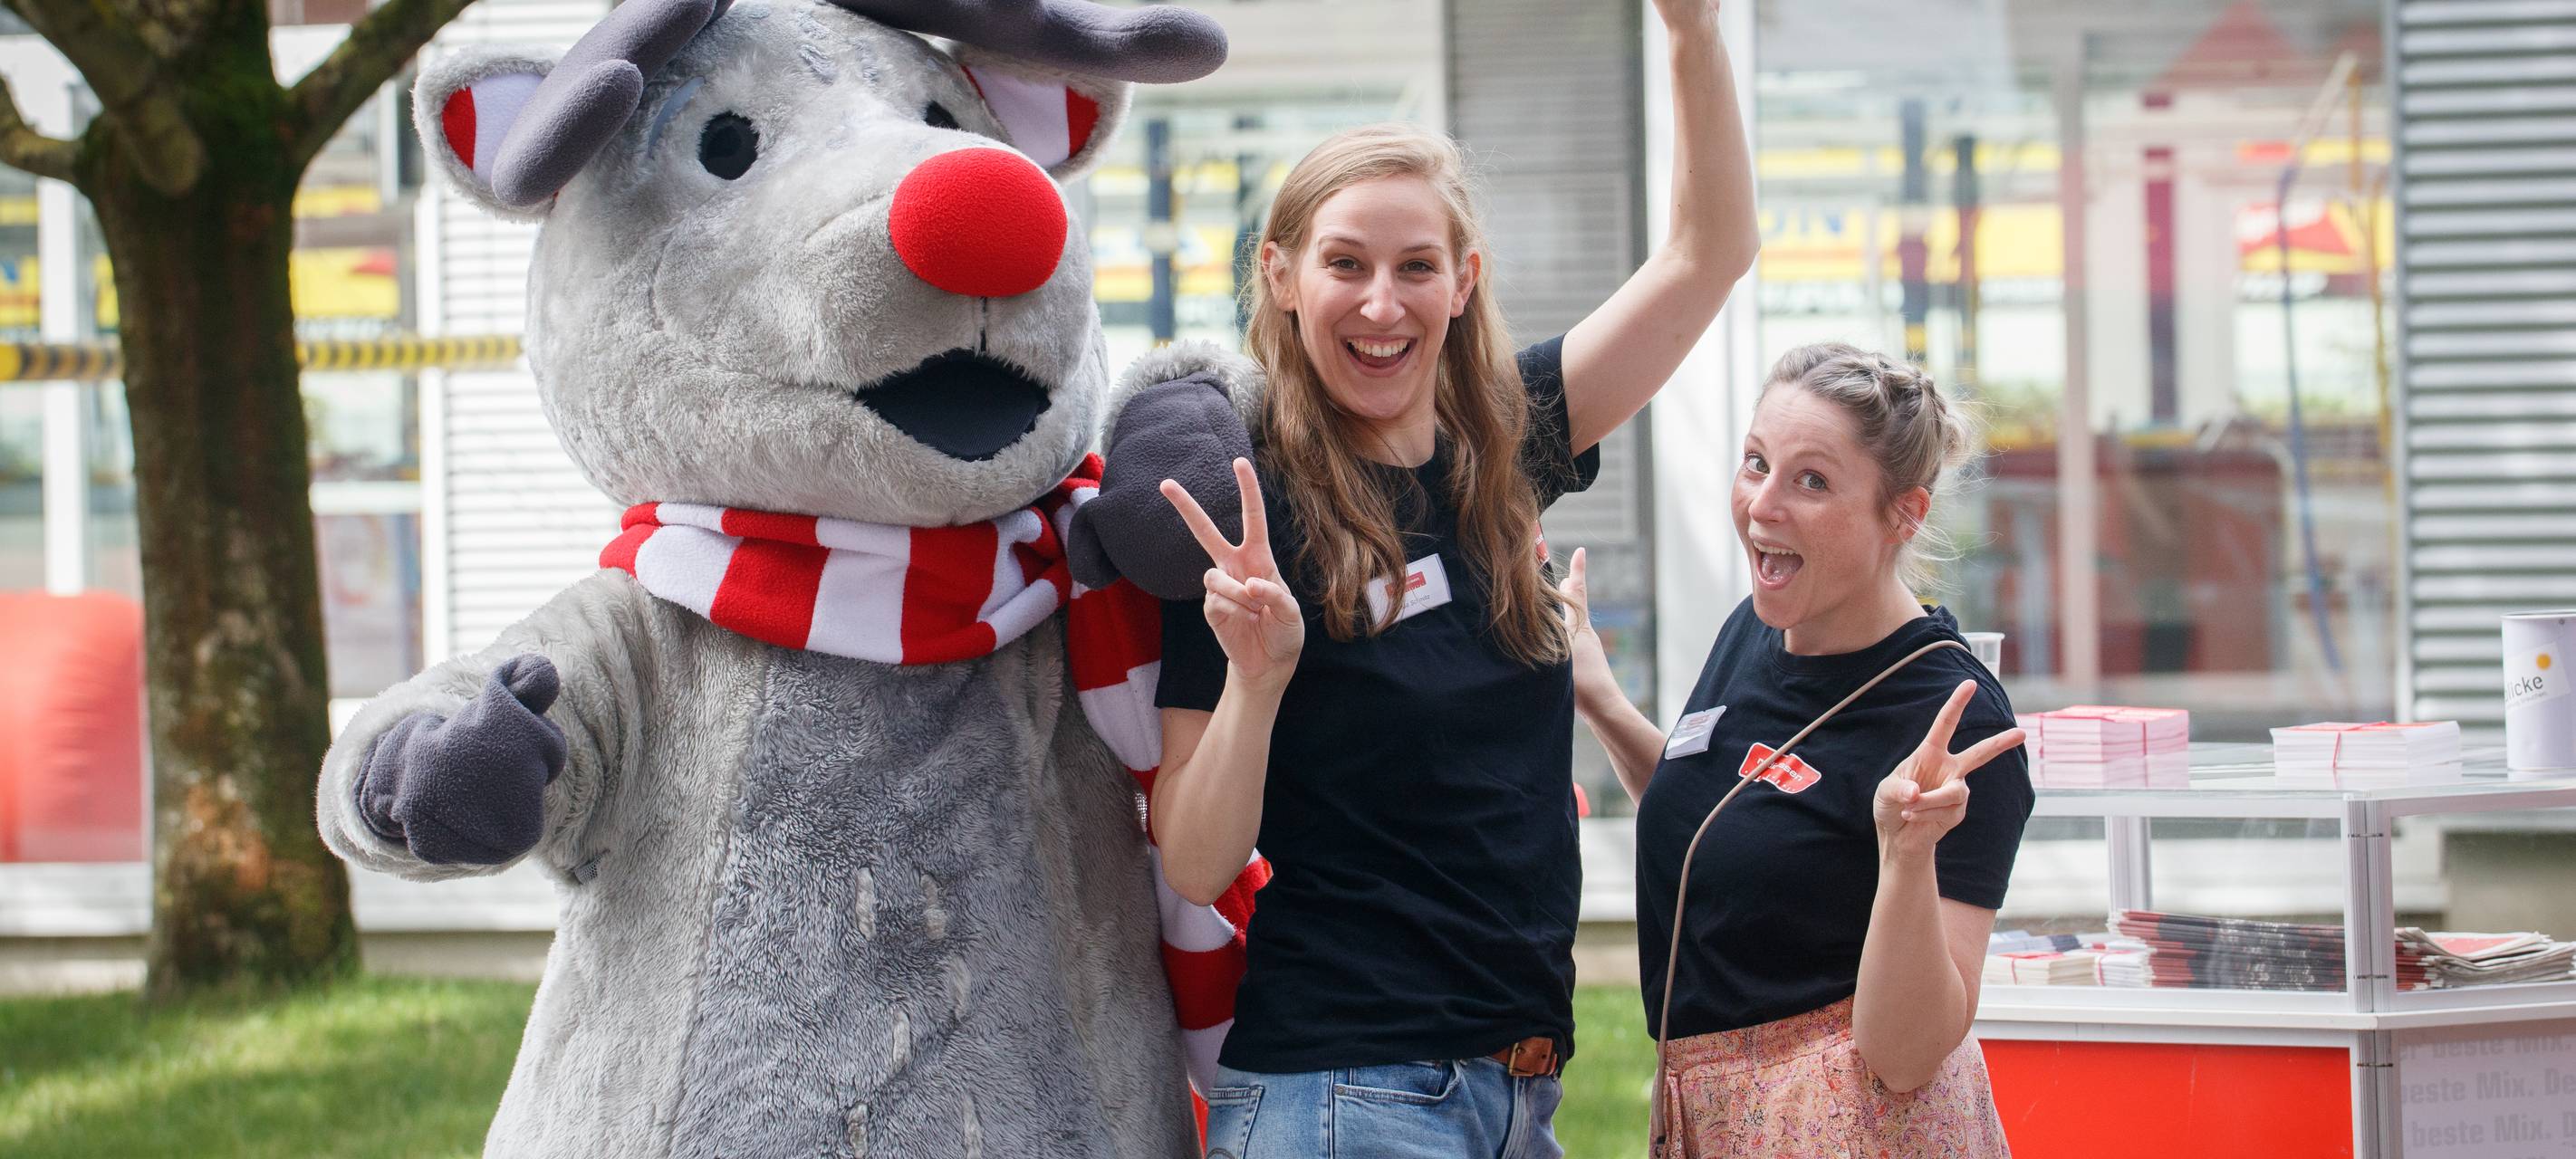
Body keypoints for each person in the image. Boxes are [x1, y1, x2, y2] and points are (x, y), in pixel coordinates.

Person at [1143, 2, 1756, 1154]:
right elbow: (1195, 855)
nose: (1383, 304)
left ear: (1463, 280)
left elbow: (1706, 256)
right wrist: (1257, 681)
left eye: (1416, 266)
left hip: (1516, 1092)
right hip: (1344, 1095)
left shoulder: (1505, 443)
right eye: (1345, 263)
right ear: (1280, 274)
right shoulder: (1248, 506)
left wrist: (1690, 37)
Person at [1564, 344, 2034, 1157]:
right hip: (1709, 1114)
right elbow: (1723, 820)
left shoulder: (1950, 719)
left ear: (1904, 515)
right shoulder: (1757, 627)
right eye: (1756, 463)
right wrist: (1599, 698)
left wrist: (1906, 854)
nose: (1762, 504)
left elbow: (1907, 1054)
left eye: (1811, 481)